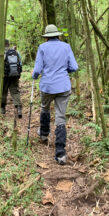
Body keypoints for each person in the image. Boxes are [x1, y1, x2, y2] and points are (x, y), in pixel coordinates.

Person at [32, 24, 78, 165]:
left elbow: (37, 69)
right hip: (63, 86)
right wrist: (64, 71)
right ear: (57, 35)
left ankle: (44, 134)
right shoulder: (66, 46)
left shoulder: (42, 48)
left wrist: (34, 75)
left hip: (47, 86)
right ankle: (60, 154)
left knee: (45, 108)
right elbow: (74, 67)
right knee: (60, 118)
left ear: (46, 37)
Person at [1, 39, 22, 118]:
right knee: (15, 92)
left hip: (4, 76)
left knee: (3, 92)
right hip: (15, 75)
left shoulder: (0, 53)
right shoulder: (16, 52)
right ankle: (19, 108)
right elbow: (20, 64)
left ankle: (2, 109)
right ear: (8, 44)